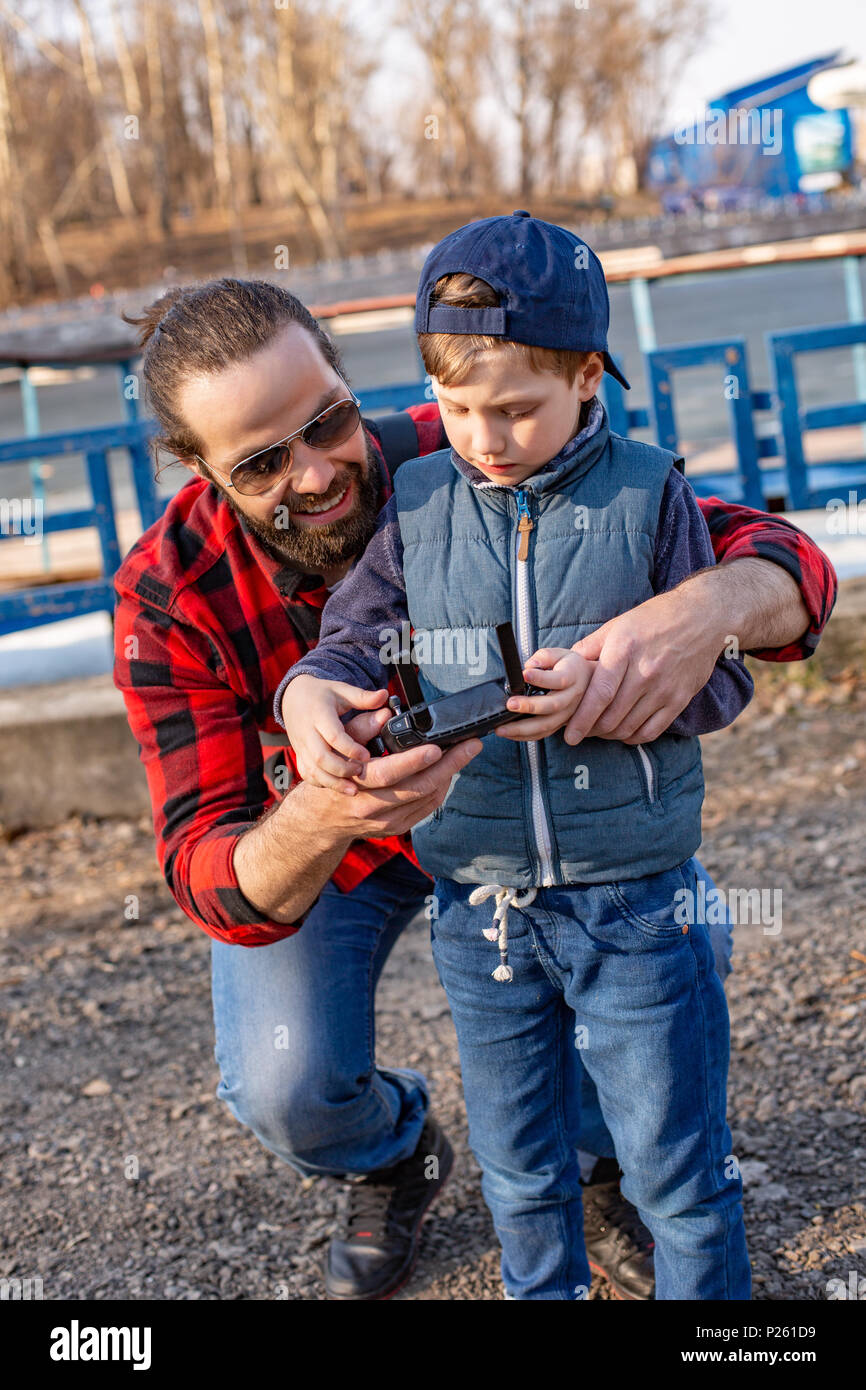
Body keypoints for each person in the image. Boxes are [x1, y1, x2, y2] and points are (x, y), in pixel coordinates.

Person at [113, 272, 836, 1301]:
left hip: (534, 824)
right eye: (262, 463)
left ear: (345, 377)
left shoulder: (470, 428)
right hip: (344, 851)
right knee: (284, 1085)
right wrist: (327, 805)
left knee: (668, 931)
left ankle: (598, 1164)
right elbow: (209, 877)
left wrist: (704, 610)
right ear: (195, 468)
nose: (316, 474)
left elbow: (785, 560)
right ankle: (394, 1152)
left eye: (326, 423)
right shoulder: (167, 591)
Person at [277, 211, 763, 1299]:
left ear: (588, 376)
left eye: (514, 409)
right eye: (454, 408)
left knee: (675, 1167)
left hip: (634, 898)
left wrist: (634, 698)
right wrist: (310, 692)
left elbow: (724, 672)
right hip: (477, 907)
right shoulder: (414, 502)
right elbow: (351, 640)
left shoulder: (647, 489)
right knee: (516, 1170)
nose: (482, 437)